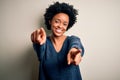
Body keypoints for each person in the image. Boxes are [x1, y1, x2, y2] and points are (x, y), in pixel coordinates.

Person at [31, 1, 84, 80]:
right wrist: (38, 43)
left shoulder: (72, 40)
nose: (60, 26)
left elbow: (76, 44)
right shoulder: (44, 42)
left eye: (65, 24)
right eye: (57, 21)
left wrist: (74, 50)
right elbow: (40, 51)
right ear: (50, 21)